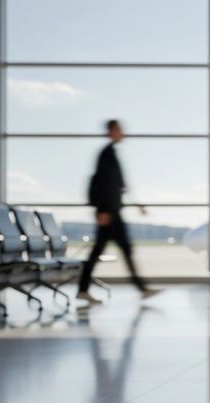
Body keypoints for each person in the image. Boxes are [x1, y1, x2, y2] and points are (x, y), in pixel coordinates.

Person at [77, 120, 158, 303]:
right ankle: (140, 288)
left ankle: (141, 287)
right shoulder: (106, 155)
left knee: (122, 251)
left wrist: (136, 204)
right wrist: (103, 211)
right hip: (108, 214)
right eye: (119, 130)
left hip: (113, 212)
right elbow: (102, 184)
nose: (123, 133)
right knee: (100, 252)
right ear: (111, 132)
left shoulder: (111, 154)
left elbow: (118, 187)